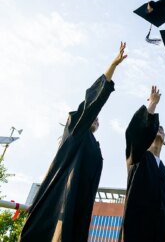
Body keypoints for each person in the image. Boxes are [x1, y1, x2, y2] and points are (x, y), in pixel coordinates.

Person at [20, 42, 127, 242]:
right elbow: (91, 103)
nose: (96, 119)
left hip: (79, 207)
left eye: (97, 119)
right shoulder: (76, 129)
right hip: (60, 204)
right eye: (93, 116)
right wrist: (112, 67)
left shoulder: (94, 146)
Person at [121, 86, 165, 242]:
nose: (160, 129)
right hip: (138, 229)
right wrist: (152, 105)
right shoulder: (138, 157)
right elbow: (135, 135)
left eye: (162, 129)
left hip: (163, 233)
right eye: (157, 127)